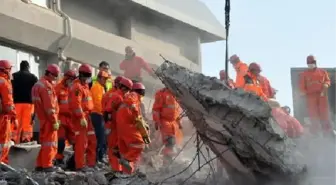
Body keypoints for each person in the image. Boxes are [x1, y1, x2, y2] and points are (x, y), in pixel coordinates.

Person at [32, 64, 60, 172]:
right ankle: (47, 165)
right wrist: (54, 120)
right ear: (50, 74)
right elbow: (50, 107)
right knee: (50, 142)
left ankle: (40, 164)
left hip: (40, 119)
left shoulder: (37, 85)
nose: (56, 78)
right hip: (48, 120)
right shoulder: (46, 87)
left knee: (42, 143)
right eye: (55, 76)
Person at [116, 82, 149, 175]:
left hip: (121, 126)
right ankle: (126, 160)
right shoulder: (134, 95)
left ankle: (126, 173)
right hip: (127, 126)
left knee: (126, 150)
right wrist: (137, 114)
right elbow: (132, 105)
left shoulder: (129, 97)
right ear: (141, 92)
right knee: (139, 144)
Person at [69, 63, 97, 171]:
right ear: (81, 75)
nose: (87, 79)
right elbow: (76, 104)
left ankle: (90, 164)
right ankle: (80, 166)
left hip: (87, 117)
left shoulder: (84, 86)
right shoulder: (77, 87)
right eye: (86, 76)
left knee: (92, 140)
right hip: (80, 118)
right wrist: (81, 117)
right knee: (81, 143)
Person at [103, 77, 133, 172]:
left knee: (118, 148)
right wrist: (109, 125)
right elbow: (108, 111)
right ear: (124, 88)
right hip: (113, 126)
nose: (127, 92)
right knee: (113, 149)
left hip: (118, 126)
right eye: (127, 90)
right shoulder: (117, 96)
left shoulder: (121, 97)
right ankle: (115, 169)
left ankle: (119, 169)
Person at [299, 55, 331, 135]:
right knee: (313, 115)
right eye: (308, 63)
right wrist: (303, 92)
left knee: (324, 113)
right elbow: (302, 86)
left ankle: (327, 132)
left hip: (322, 95)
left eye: (312, 62)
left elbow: (328, 81)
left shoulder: (323, 72)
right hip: (311, 96)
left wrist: (326, 85)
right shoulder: (304, 74)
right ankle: (315, 133)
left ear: (315, 62)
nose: (310, 64)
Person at [152, 87, 183, 164]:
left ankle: (168, 161)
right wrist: (157, 121)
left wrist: (179, 123)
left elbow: (176, 111)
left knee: (174, 143)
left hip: (173, 123)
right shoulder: (162, 94)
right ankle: (167, 162)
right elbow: (156, 110)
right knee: (169, 142)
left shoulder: (176, 95)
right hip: (165, 122)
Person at [11, 60, 38, 143]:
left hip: (16, 103)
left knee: (15, 123)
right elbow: (36, 91)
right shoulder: (33, 77)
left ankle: (13, 139)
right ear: (28, 67)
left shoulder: (13, 76)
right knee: (27, 123)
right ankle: (26, 139)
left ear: (20, 66)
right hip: (29, 104)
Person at [54, 69, 77, 165]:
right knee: (61, 140)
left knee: (76, 141)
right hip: (61, 118)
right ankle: (58, 158)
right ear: (66, 78)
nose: (72, 82)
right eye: (71, 80)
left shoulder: (73, 89)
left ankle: (74, 161)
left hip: (71, 119)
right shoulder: (58, 88)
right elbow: (54, 104)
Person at [90, 70, 110, 163]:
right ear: (100, 78)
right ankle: (98, 158)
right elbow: (98, 102)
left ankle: (98, 157)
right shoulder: (97, 87)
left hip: (97, 114)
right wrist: (104, 112)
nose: (106, 80)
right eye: (104, 78)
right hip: (97, 114)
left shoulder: (99, 87)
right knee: (100, 137)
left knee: (100, 137)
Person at [0, 60, 17, 164]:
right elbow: (8, 104)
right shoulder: (4, 83)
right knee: (4, 142)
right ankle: (2, 164)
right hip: (2, 117)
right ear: (6, 70)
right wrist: (14, 117)